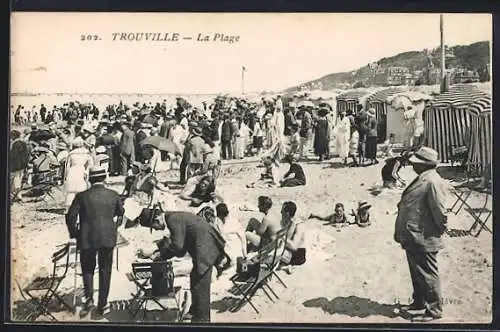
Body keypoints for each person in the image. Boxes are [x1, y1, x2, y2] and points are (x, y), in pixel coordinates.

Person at [138, 211, 227, 323]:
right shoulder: (173, 217)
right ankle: (195, 310)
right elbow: (181, 245)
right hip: (203, 245)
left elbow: (177, 245)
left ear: (157, 219)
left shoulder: (172, 219)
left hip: (206, 246)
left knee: (201, 283)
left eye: (154, 227)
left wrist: (162, 255)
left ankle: (203, 319)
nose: (157, 229)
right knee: (194, 278)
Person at [394, 146, 448, 322]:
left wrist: (439, 229)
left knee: (427, 273)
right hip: (413, 234)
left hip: (425, 236)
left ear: (425, 165)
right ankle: (419, 302)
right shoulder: (423, 178)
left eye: (416, 163)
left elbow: (439, 211)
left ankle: (434, 310)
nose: (413, 165)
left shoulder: (432, 182)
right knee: (417, 271)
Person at [65, 165, 125, 318]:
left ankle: (89, 298)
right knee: (105, 270)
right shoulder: (113, 194)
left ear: (90, 179)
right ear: (104, 178)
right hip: (107, 237)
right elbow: (121, 214)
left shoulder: (82, 196)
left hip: (87, 236)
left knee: (87, 269)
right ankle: (102, 303)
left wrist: (75, 234)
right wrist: (114, 228)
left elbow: (70, 216)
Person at [64, 137, 93, 210]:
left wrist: (66, 176)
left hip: (72, 171)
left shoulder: (71, 154)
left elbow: (67, 166)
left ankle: (69, 208)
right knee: (81, 189)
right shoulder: (86, 153)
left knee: (71, 191)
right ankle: (82, 206)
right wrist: (87, 170)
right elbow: (91, 164)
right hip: (81, 170)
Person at [279, 202, 306, 274]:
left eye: (282, 211)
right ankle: (283, 267)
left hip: (297, 254)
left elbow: (294, 246)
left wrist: (280, 237)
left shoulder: (298, 225)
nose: (280, 212)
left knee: (272, 252)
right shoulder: (285, 221)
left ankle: (284, 267)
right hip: (287, 250)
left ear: (287, 213)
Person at [10, 130, 30, 201]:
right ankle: (18, 195)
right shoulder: (23, 143)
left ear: (14, 136)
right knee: (18, 180)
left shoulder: (16, 144)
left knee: (14, 182)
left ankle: (16, 196)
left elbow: (13, 156)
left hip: (15, 166)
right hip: (22, 165)